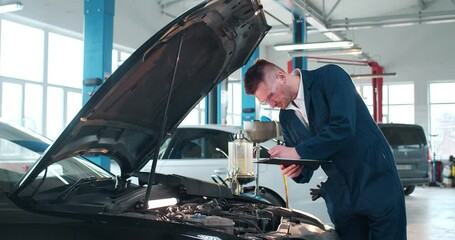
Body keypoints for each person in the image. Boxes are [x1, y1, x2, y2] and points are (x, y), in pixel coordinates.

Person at [243, 59, 406, 240]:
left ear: (281, 77)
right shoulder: (287, 117)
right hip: (342, 194)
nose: (272, 105)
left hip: (374, 181)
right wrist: (295, 168)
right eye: (266, 102)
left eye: (271, 96)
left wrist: (297, 152)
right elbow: (306, 171)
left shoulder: (330, 77)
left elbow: (343, 127)